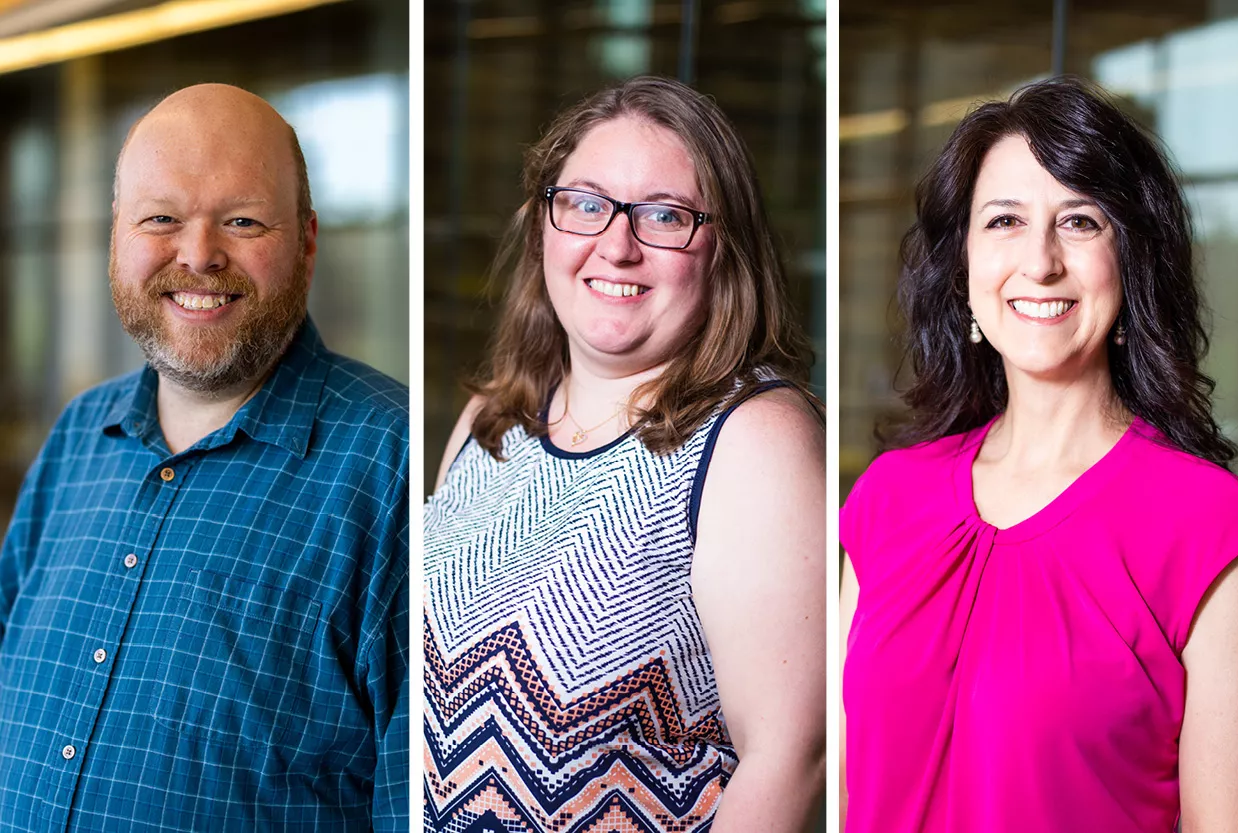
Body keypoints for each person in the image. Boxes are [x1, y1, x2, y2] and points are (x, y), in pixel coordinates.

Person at [840, 76, 1238, 832]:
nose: (1040, 261)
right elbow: (844, 791)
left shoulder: (1208, 524)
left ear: (1132, 259)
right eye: (1004, 220)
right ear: (963, 263)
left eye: (1080, 222)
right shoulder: (886, 498)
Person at [0, 84, 408, 831]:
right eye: (161, 218)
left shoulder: (396, 467)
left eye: (242, 220)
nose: (198, 255)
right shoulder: (78, 437)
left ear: (307, 241)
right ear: (117, 234)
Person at [424, 76, 826, 832]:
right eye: (586, 204)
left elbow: (789, 759)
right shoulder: (491, 422)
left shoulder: (754, 440)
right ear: (542, 226)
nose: (616, 246)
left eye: (664, 216)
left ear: (725, 250)